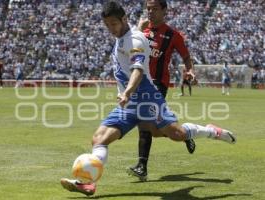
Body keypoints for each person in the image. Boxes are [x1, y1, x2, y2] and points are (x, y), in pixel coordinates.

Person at [60, 1, 236, 196]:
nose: (111, 28)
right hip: (129, 103)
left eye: (114, 24)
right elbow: (132, 35)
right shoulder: (129, 34)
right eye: (107, 25)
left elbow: (137, 70)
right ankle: (87, 182)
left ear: (123, 20)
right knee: (99, 139)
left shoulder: (135, 40)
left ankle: (211, 131)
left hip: (147, 97)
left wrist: (126, 92)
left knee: (176, 134)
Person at [128, 0, 196, 181]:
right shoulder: (141, 30)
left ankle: (142, 166)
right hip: (140, 82)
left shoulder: (173, 35)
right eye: (148, 9)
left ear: (164, 10)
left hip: (158, 83)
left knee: (144, 121)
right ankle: (184, 133)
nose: (150, 12)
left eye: (155, 9)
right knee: (155, 127)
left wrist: (189, 70)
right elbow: (127, 50)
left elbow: (186, 57)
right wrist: (137, 30)